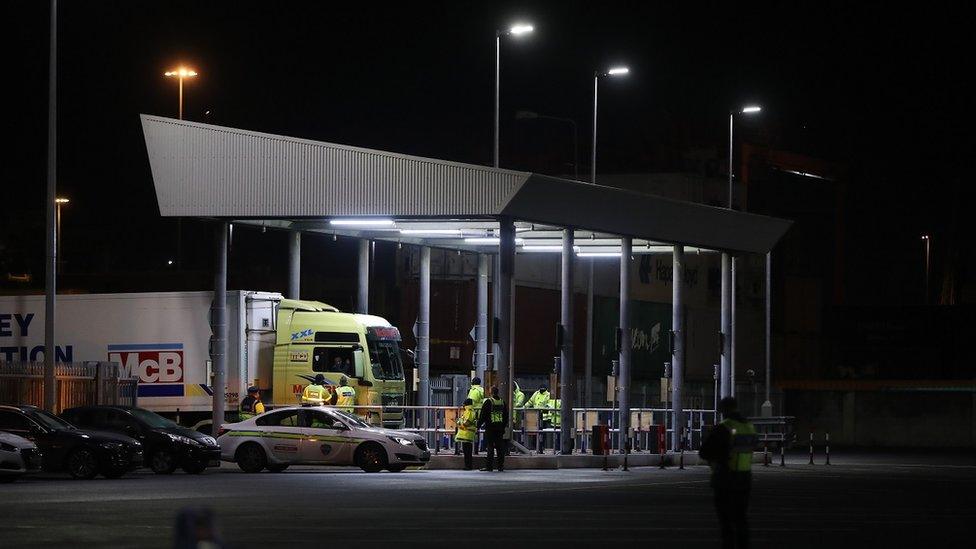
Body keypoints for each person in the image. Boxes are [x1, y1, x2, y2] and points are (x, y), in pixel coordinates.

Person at [699, 397, 757, 549]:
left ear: (723, 410)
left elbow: (704, 451)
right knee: (741, 518)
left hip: (726, 478)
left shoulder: (724, 427)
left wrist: (717, 459)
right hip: (745, 478)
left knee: (726, 521)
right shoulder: (749, 427)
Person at [477, 386, 508, 472]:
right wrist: (503, 426)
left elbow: (483, 415)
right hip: (500, 428)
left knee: (490, 447)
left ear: (491, 392)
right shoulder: (502, 402)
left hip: (490, 428)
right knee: (500, 448)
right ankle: (500, 466)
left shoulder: (488, 402)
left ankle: (489, 466)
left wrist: (478, 426)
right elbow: (506, 416)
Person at [455, 398, 477, 470]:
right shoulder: (470, 411)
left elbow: (467, 422)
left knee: (467, 451)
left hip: (467, 434)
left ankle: (468, 466)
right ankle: (468, 465)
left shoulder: (468, 411)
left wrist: (459, 423)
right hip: (467, 434)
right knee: (467, 451)